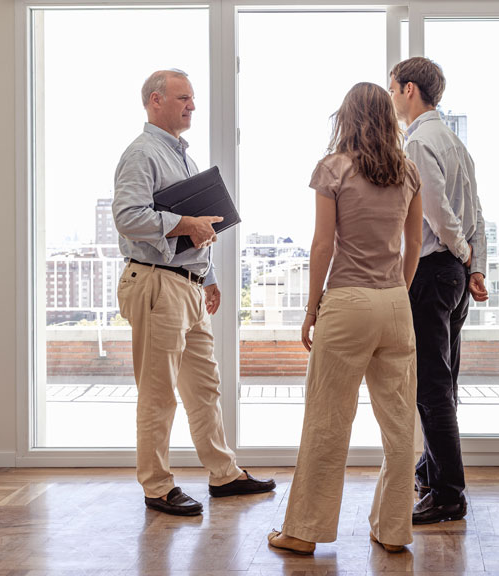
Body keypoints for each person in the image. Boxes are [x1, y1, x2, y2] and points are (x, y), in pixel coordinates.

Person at [266, 82, 424, 555]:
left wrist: (312, 309)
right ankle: (393, 530)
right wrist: (398, 290)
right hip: (396, 304)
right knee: (399, 427)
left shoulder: (333, 168)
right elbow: (413, 245)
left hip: (348, 304)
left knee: (327, 420)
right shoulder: (408, 171)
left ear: (347, 117)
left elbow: (322, 245)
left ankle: (303, 532)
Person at [113, 69, 274, 516]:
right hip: (155, 284)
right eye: (184, 98)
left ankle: (223, 475)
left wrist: (210, 277)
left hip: (187, 286)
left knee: (204, 387)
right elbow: (128, 216)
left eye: (192, 99)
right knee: (159, 392)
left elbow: (197, 226)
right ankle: (157, 487)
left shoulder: (180, 157)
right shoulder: (142, 153)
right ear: (155, 101)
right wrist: (187, 225)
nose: (192, 106)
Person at [388, 57, 489, 525]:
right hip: (454, 274)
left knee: (430, 384)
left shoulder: (419, 140)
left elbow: (435, 211)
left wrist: (460, 250)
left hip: (432, 272)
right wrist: (473, 264)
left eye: (393, 90)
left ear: (410, 90)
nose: (391, 99)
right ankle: (431, 470)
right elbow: (478, 214)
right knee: (443, 381)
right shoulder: (454, 142)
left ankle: (448, 493)